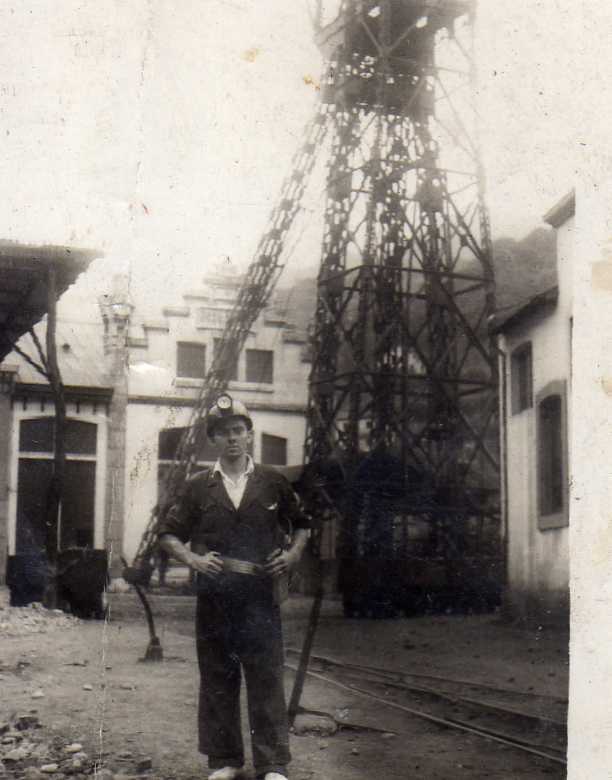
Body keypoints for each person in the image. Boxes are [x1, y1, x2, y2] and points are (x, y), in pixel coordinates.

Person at [157, 394, 310, 780]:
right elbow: (168, 534)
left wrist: (292, 556)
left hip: (260, 597)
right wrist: (193, 560)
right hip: (216, 596)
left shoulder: (272, 481)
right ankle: (225, 761)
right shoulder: (198, 486)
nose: (232, 439)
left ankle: (272, 765)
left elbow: (303, 525)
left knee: (266, 677)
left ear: (249, 435)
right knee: (217, 677)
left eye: (238, 430)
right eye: (224, 433)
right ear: (213, 439)